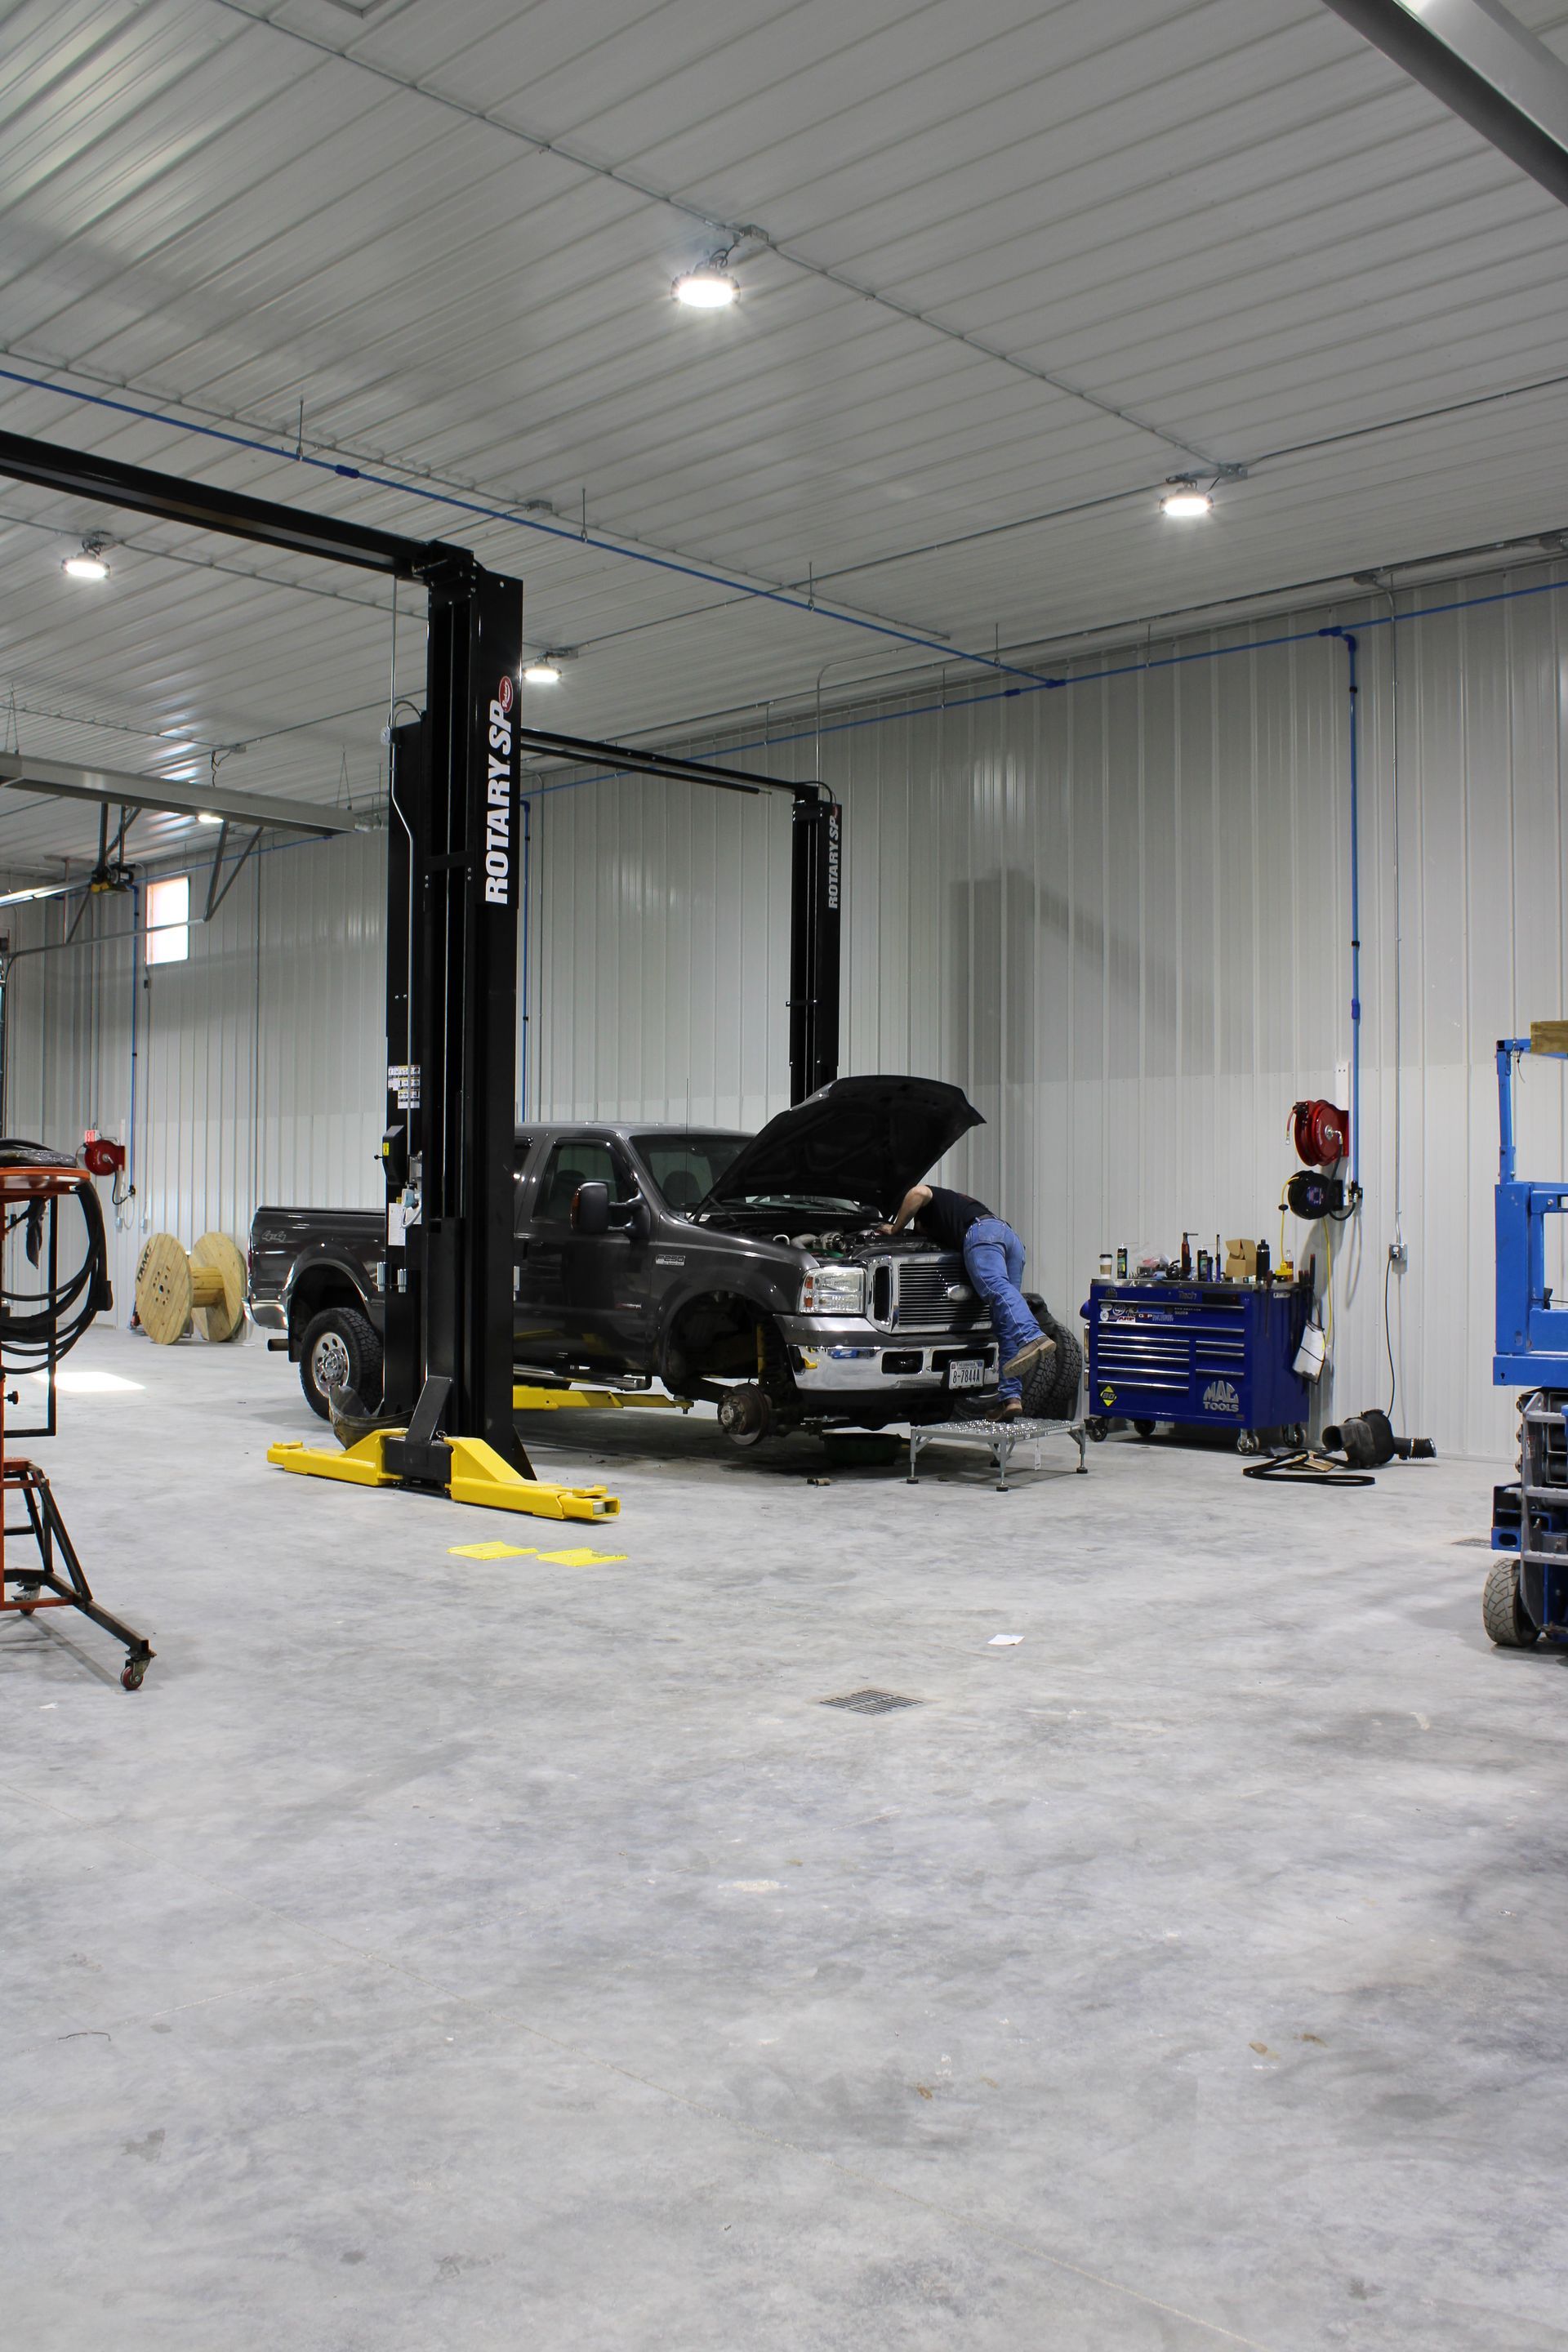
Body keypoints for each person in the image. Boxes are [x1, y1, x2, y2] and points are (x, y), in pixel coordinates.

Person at [879, 1183, 1054, 1416]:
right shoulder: (956, 1205)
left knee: (996, 1289)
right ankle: (1011, 1398)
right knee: (1004, 1318)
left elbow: (917, 1192)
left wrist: (895, 1228)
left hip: (983, 1234)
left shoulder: (930, 1200)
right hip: (1009, 1237)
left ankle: (1032, 1336)